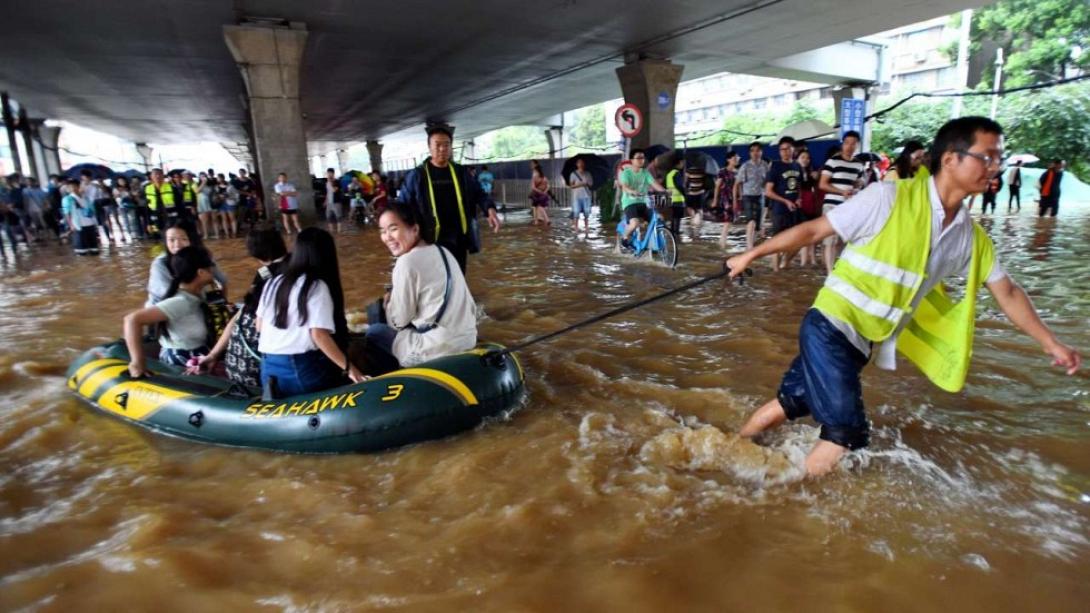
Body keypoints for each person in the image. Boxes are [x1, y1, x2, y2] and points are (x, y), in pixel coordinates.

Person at [724, 116, 1081, 477]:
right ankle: (782, 498)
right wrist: (750, 255)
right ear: (950, 159)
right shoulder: (888, 197)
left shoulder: (970, 239)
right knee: (847, 433)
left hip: (862, 341)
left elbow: (1008, 291)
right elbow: (815, 230)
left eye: (998, 159)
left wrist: (1050, 343)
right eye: (987, 157)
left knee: (793, 400)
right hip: (830, 325)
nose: (995, 167)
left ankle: (731, 451)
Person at [366, 202, 478, 373]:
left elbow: (399, 321)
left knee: (375, 331)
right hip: (468, 340)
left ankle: (393, 378)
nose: (387, 237)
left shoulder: (406, 262)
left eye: (393, 229)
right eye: (383, 231)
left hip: (440, 349)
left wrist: (388, 305)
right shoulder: (444, 251)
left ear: (415, 229)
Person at [257, 227, 364, 396]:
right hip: (301, 372)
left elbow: (259, 327)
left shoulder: (273, 282)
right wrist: (351, 369)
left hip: (268, 371)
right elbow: (319, 336)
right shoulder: (316, 286)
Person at [187, 225, 288, 386]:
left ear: (255, 254)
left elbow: (240, 316)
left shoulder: (263, 275)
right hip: (265, 370)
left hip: (238, 367)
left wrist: (212, 355)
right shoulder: (296, 270)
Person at [398, 124, 502, 274]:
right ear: (429, 147)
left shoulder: (461, 172)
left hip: (458, 239)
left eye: (446, 145)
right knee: (435, 280)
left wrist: (490, 209)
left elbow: (479, 193)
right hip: (429, 240)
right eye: (437, 145)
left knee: (458, 277)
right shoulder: (417, 176)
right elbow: (402, 206)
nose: (442, 149)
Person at [123, 246, 217, 374]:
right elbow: (132, 319)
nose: (214, 269)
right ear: (201, 273)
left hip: (198, 351)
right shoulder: (181, 302)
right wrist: (137, 362)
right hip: (183, 358)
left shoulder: (197, 294)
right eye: (211, 266)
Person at [147, 220, 228, 306]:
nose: (177, 244)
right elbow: (171, 297)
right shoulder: (160, 264)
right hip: (163, 308)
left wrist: (223, 306)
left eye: (183, 239)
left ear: (192, 240)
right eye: (171, 240)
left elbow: (222, 281)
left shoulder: (203, 255)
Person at [818, 131, 865, 275]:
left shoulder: (859, 165)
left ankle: (835, 268)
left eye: (853, 143)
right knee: (830, 240)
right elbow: (822, 184)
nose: (850, 146)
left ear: (857, 145)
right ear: (842, 144)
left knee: (842, 240)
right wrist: (841, 192)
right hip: (831, 205)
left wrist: (858, 184)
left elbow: (860, 182)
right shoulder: (832, 162)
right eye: (847, 143)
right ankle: (829, 272)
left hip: (848, 207)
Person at [764, 136, 803, 270]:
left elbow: (799, 186)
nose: (785, 152)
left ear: (794, 149)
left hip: (794, 210)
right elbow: (768, 191)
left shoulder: (797, 166)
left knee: (798, 240)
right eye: (782, 149)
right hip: (779, 209)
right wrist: (785, 201)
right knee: (778, 240)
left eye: (788, 149)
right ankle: (776, 271)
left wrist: (799, 198)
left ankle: (784, 262)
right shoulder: (775, 166)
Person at [618, 148, 666, 248]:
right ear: (632, 160)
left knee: (659, 218)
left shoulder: (646, 173)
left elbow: (654, 184)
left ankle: (650, 242)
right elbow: (625, 187)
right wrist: (632, 191)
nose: (641, 160)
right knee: (634, 223)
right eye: (638, 158)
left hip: (644, 202)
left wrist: (665, 191)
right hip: (629, 203)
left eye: (643, 158)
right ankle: (625, 237)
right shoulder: (626, 173)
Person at [736, 142, 770, 251]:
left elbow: (768, 181)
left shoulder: (765, 165)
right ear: (750, 153)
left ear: (761, 152)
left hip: (760, 196)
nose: (755, 153)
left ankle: (753, 244)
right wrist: (740, 196)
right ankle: (749, 246)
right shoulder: (745, 166)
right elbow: (738, 182)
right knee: (751, 221)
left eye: (758, 150)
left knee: (758, 225)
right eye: (753, 151)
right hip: (748, 196)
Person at [61, 178, 99, 255]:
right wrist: (71, 225)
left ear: (78, 186)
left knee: (94, 250)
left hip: (90, 223)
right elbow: (67, 213)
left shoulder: (86, 197)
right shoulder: (67, 199)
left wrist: (95, 222)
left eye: (73, 186)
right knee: (82, 251)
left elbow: (92, 210)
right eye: (69, 187)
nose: (71, 188)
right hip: (78, 225)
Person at [796, 149, 821, 267]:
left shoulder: (812, 172)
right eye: (803, 157)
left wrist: (816, 178)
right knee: (803, 232)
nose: (805, 160)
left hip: (811, 202)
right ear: (797, 159)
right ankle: (803, 260)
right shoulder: (794, 172)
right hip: (800, 202)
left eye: (807, 158)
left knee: (812, 231)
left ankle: (812, 258)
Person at [715, 151, 740, 247]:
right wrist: (715, 200)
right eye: (734, 158)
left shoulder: (737, 172)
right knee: (728, 220)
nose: (736, 160)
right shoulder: (722, 171)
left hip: (734, 198)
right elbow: (717, 186)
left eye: (737, 158)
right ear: (728, 160)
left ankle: (722, 240)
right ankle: (722, 242)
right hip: (725, 197)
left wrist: (739, 198)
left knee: (730, 220)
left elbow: (738, 187)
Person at [683, 157, 709, 237]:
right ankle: (699, 228)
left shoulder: (689, 171)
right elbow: (705, 182)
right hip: (700, 193)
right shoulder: (703, 171)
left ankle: (693, 220)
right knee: (700, 209)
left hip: (691, 193)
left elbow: (685, 182)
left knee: (689, 208)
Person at [568, 158, 594, 232]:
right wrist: (580, 184)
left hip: (586, 196)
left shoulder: (588, 174)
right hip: (576, 196)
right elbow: (571, 186)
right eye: (579, 163)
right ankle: (576, 227)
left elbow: (591, 184)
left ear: (584, 164)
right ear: (577, 164)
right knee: (576, 212)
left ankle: (586, 227)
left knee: (586, 212)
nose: (581, 164)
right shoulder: (573, 174)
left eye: (582, 163)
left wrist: (586, 183)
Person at [664, 156, 686, 236]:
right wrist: (686, 195)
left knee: (673, 216)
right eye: (683, 162)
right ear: (679, 162)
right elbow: (680, 186)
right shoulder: (677, 173)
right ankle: (676, 233)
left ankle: (672, 231)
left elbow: (665, 186)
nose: (683, 164)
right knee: (677, 217)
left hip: (670, 199)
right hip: (678, 199)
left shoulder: (669, 174)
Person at [322, 168, 344, 234]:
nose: (329, 175)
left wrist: (331, 182)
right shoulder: (327, 183)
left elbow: (334, 190)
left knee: (338, 216)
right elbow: (328, 192)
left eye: (330, 173)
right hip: (329, 203)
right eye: (328, 173)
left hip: (336, 202)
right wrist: (325, 201)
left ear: (333, 174)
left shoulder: (337, 182)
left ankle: (339, 231)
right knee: (328, 216)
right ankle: (331, 231)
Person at [195, 171, 216, 238]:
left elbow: (213, 192)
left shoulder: (210, 184)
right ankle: (205, 234)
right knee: (204, 220)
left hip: (210, 203)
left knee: (212, 219)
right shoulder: (198, 184)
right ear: (199, 177)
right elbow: (197, 191)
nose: (203, 177)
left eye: (204, 176)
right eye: (201, 176)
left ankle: (212, 233)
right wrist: (203, 183)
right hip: (202, 204)